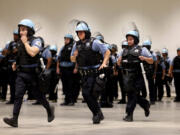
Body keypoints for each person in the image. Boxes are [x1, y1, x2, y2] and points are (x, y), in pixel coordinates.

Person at [3, 19, 55, 127]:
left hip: (33, 74)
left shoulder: (37, 40)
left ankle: (49, 109)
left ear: (29, 30)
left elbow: (32, 53)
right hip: (21, 73)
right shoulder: (20, 42)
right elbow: (20, 55)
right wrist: (15, 63)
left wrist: (26, 42)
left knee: (39, 96)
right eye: (20, 30)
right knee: (18, 95)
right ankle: (14, 119)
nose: (20, 32)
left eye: (23, 30)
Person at [71, 21, 110, 124]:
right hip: (83, 74)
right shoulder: (77, 45)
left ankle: (97, 114)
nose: (79, 34)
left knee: (88, 94)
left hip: (94, 73)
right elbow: (72, 59)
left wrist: (104, 63)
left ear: (87, 32)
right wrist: (74, 56)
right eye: (78, 32)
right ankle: (97, 113)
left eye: (81, 32)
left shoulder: (95, 42)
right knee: (87, 95)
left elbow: (107, 52)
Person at [117, 29, 153, 122]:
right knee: (134, 95)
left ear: (135, 40)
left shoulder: (142, 50)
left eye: (131, 39)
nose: (129, 41)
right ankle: (145, 104)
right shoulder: (123, 51)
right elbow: (118, 63)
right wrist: (119, 61)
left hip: (138, 77)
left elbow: (151, 60)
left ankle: (129, 114)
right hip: (127, 77)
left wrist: (144, 58)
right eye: (128, 39)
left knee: (131, 95)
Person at [57, 34, 76, 106]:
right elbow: (59, 58)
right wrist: (58, 68)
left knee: (70, 85)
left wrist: (76, 68)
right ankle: (66, 100)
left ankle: (71, 100)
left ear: (71, 40)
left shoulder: (73, 47)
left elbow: (76, 58)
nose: (65, 40)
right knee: (65, 86)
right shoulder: (63, 48)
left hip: (70, 68)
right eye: (65, 39)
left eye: (67, 39)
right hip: (63, 68)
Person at [2, 29, 19, 104]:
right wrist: (7, 51)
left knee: (17, 83)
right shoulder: (11, 43)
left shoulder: (21, 43)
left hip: (17, 65)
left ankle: (17, 99)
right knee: (11, 83)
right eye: (13, 35)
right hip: (10, 65)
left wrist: (18, 49)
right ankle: (12, 99)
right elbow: (5, 53)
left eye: (16, 35)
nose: (14, 36)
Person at [142, 40, 156, 104]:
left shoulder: (152, 54)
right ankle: (143, 98)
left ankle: (152, 99)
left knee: (151, 85)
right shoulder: (141, 52)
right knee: (142, 85)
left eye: (147, 46)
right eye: (144, 46)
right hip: (143, 71)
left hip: (150, 71)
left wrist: (154, 73)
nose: (145, 48)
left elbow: (155, 64)